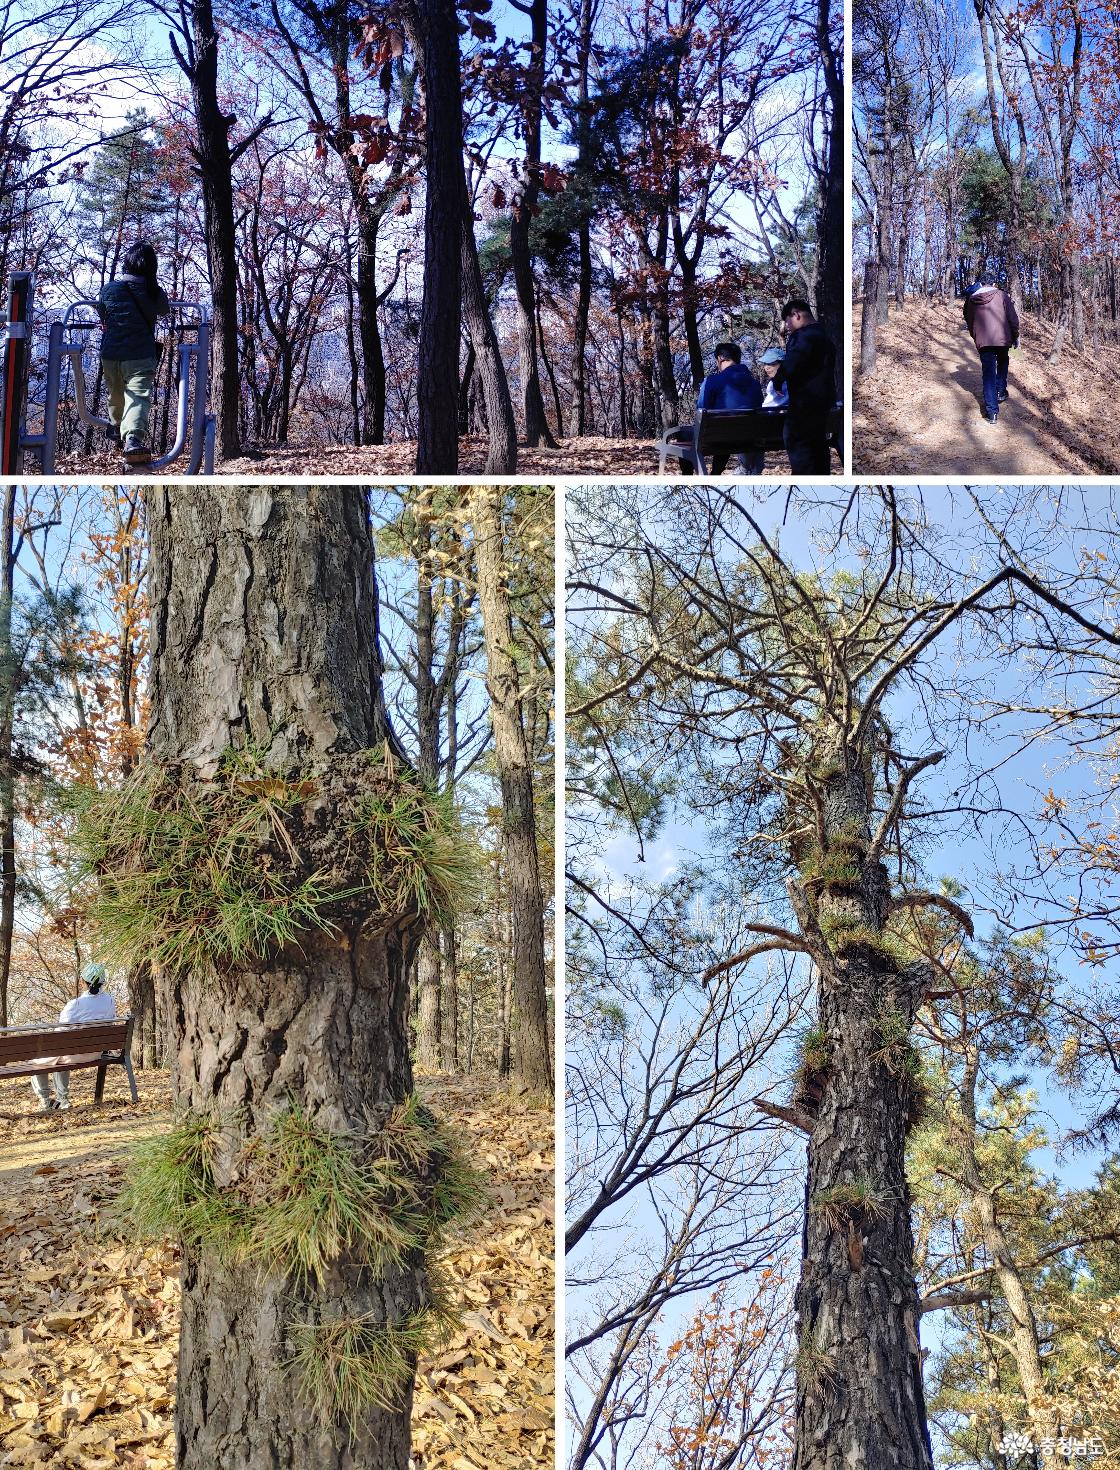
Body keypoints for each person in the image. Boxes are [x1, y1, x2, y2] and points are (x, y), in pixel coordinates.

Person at [97, 242, 170, 465]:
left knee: (116, 394)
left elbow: (102, 313)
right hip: (140, 355)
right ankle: (133, 440)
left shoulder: (109, 289)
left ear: (127, 263)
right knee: (138, 396)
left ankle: (117, 425)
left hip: (111, 354)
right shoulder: (153, 292)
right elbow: (164, 310)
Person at [30, 962, 117, 1112]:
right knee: (59, 1056)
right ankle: (61, 1100)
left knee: (39, 1061)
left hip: (74, 1054)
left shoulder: (74, 1005)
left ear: (83, 981)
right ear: (102, 982)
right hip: (95, 1053)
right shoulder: (109, 1001)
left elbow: (61, 1033)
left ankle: (47, 1101)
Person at [774, 299, 836, 474]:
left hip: (804, 402)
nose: (787, 327)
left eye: (787, 321)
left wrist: (778, 380)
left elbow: (793, 361)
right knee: (818, 443)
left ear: (796, 315)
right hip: (824, 401)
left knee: (797, 441)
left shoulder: (802, 336)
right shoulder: (824, 335)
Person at [696, 341, 764, 474]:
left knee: (684, 437)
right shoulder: (755, 383)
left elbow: (701, 409)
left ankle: (696, 475)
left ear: (720, 359)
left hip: (718, 438)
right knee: (727, 432)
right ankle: (716, 473)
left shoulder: (712, 381)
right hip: (749, 438)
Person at [962, 274, 1019, 425]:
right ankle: (1000, 391)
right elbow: (1013, 318)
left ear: (981, 284)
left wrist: (976, 336)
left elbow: (969, 320)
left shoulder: (971, 299)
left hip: (984, 341)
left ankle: (992, 413)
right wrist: (1015, 335)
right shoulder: (1002, 295)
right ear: (993, 283)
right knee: (1003, 363)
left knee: (988, 374)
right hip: (1002, 339)